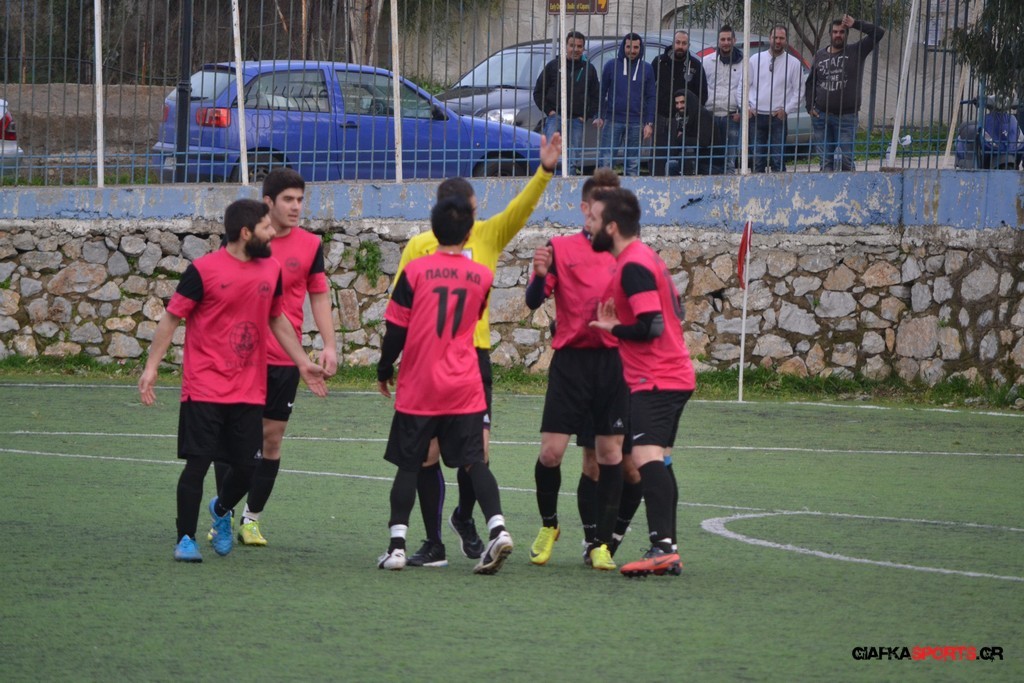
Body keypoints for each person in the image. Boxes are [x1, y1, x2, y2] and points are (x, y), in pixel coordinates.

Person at [392, 132, 562, 568]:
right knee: (427, 456)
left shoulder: (487, 235)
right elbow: (400, 308)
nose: (476, 215)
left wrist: (545, 170)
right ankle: (433, 543)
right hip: (428, 364)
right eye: (471, 208)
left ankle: (465, 519)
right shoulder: (418, 247)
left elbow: (520, 210)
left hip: (471, 360)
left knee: (478, 451)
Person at [138, 199, 327, 563]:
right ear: (245, 233)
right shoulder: (203, 270)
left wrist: (303, 363)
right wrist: (151, 367)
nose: (272, 233)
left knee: (248, 466)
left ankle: (221, 509)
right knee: (198, 464)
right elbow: (172, 318)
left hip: (249, 387)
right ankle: (186, 539)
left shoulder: (271, 270)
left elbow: (277, 319)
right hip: (204, 385)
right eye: (266, 228)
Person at [376, 195, 514, 575]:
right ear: (469, 233)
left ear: (433, 232)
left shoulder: (415, 271)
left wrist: (384, 368)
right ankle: (498, 529)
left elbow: (396, 328)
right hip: (464, 384)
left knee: (410, 464)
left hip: (421, 385)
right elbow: (473, 319)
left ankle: (397, 547)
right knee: (474, 461)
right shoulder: (482, 277)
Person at [587, 187, 696, 578]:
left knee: (647, 460)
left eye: (593, 219)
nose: (588, 226)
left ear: (612, 227)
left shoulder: (633, 264)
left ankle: (662, 547)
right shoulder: (645, 257)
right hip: (672, 373)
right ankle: (669, 548)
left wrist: (614, 328)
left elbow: (652, 325)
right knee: (660, 460)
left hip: (657, 378)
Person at [226, 169, 338, 546]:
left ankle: (251, 519)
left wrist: (329, 344)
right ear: (268, 202)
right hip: (242, 356)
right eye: (288, 199)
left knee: (271, 440)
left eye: (300, 200)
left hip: (284, 359)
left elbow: (318, 295)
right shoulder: (248, 237)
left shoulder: (310, 245)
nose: (296, 207)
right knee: (234, 439)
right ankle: (223, 512)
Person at [523, 168, 627, 571]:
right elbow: (534, 300)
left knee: (606, 457)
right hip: (570, 365)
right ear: (586, 209)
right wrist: (539, 277)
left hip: (611, 365)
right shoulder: (560, 248)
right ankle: (549, 525)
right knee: (551, 453)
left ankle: (599, 543)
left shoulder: (627, 253)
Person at [805, 15, 886, 171]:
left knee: (847, 161)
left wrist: (855, 23)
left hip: (847, 117)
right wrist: (810, 107)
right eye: (835, 32)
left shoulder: (856, 50)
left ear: (846, 34)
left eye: (842, 32)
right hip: (821, 117)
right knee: (825, 162)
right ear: (830, 34)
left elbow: (879, 33)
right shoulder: (820, 55)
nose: (838, 35)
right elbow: (810, 83)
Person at [533, 31, 600, 176]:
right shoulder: (553, 66)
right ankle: (548, 183)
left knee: (572, 159)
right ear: (565, 46)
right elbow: (538, 91)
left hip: (577, 120)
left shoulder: (589, 69)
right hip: (555, 117)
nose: (575, 49)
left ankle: (569, 185)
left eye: (579, 46)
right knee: (551, 157)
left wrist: (585, 115)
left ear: (583, 48)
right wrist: (549, 111)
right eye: (572, 45)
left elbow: (596, 96)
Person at [595, 32, 656, 176]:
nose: (632, 51)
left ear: (640, 49)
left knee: (633, 163)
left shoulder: (647, 69)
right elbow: (601, 92)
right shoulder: (611, 66)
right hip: (613, 120)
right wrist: (599, 115)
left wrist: (649, 123)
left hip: (636, 122)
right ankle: (604, 188)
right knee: (606, 160)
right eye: (629, 47)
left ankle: (630, 189)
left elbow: (651, 97)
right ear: (623, 47)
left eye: (636, 47)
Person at [651, 30, 709, 175]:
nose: (680, 46)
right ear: (673, 43)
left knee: (680, 161)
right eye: (678, 42)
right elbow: (649, 90)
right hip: (660, 118)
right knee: (658, 159)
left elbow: (702, 95)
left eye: (684, 43)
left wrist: (691, 118)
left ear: (688, 45)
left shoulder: (695, 65)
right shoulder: (659, 62)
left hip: (683, 121)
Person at [748, 26, 804, 173]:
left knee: (778, 160)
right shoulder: (755, 59)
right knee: (757, 160)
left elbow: (799, 91)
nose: (778, 41)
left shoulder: (793, 63)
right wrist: (746, 107)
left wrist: (787, 110)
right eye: (775, 37)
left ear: (786, 40)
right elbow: (744, 85)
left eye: (781, 38)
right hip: (756, 116)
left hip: (778, 118)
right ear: (770, 38)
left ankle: (779, 187)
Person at [702, 25, 745, 174]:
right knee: (711, 156)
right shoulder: (707, 62)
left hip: (732, 116)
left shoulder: (744, 63)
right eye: (723, 39)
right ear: (718, 41)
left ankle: (730, 183)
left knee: (730, 159)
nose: (726, 42)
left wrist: (741, 111)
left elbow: (748, 89)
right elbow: (701, 87)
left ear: (734, 40)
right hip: (710, 115)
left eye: (728, 39)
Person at [668, 89, 715, 176]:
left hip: (708, 162)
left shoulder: (703, 115)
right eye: (677, 103)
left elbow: (704, 142)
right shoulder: (682, 118)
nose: (679, 106)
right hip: (690, 158)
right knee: (670, 165)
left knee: (687, 158)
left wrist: (682, 138)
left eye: (682, 102)